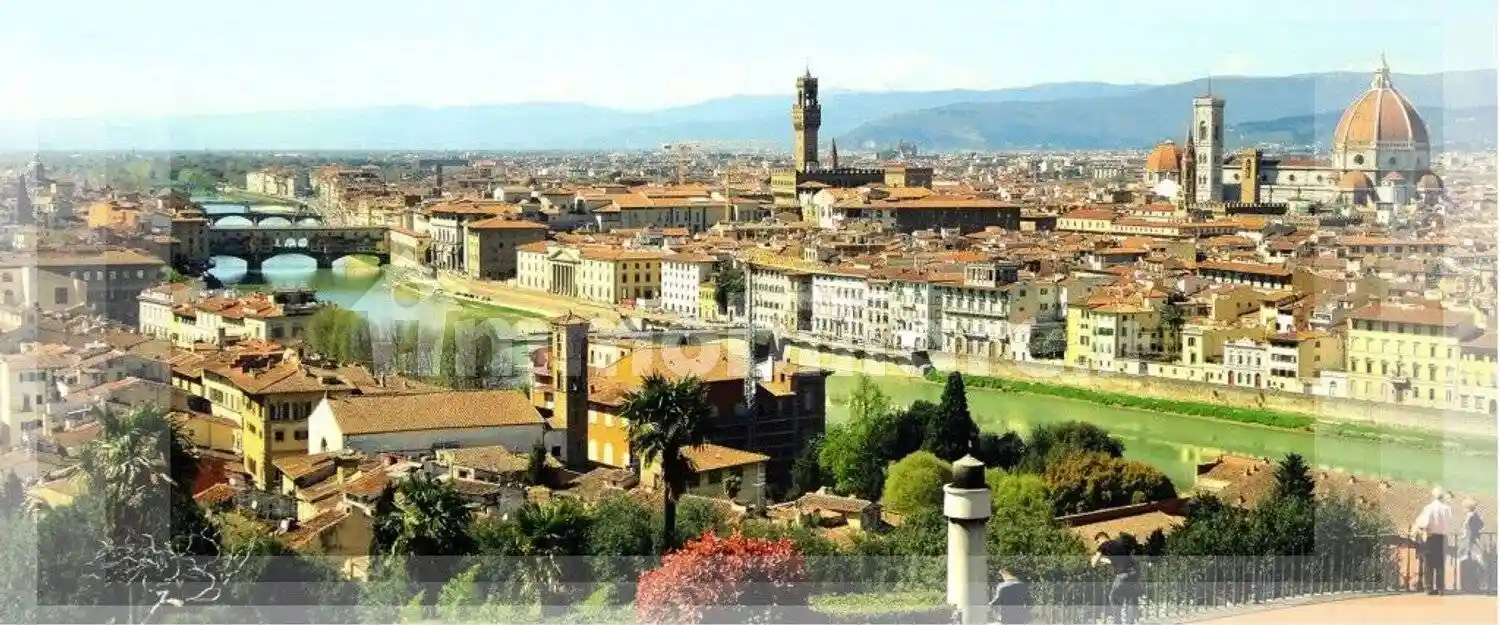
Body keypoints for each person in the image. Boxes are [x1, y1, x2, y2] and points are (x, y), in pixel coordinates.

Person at [1411, 486, 1454, 595]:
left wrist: (1420, 529)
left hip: (1430, 536)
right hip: (1442, 537)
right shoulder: (1447, 508)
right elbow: (1449, 524)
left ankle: (1429, 587)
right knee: (1440, 563)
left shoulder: (1429, 507)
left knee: (1428, 563)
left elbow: (1424, 522)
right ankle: (1440, 588)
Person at [1093, 532, 1140, 624]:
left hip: (1123, 574)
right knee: (1129, 597)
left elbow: (1093, 563)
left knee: (1113, 597)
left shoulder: (1103, 545)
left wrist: (1096, 560)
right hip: (1134, 571)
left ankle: (1117, 622)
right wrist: (1104, 561)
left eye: (1098, 542)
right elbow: (1116, 560)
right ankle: (1130, 623)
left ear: (1101, 539)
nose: (1098, 544)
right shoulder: (1119, 543)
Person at [1457, 498, 1486, 594]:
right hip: (1468, 543)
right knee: (1470, 566)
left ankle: (1470, 587)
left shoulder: (1471, 517)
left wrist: (1467, 544)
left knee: (1470, 566)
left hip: (1469, 544)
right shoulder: (1473, 517)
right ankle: (1470, 586)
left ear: (1467, 508)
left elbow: (1470, 532)